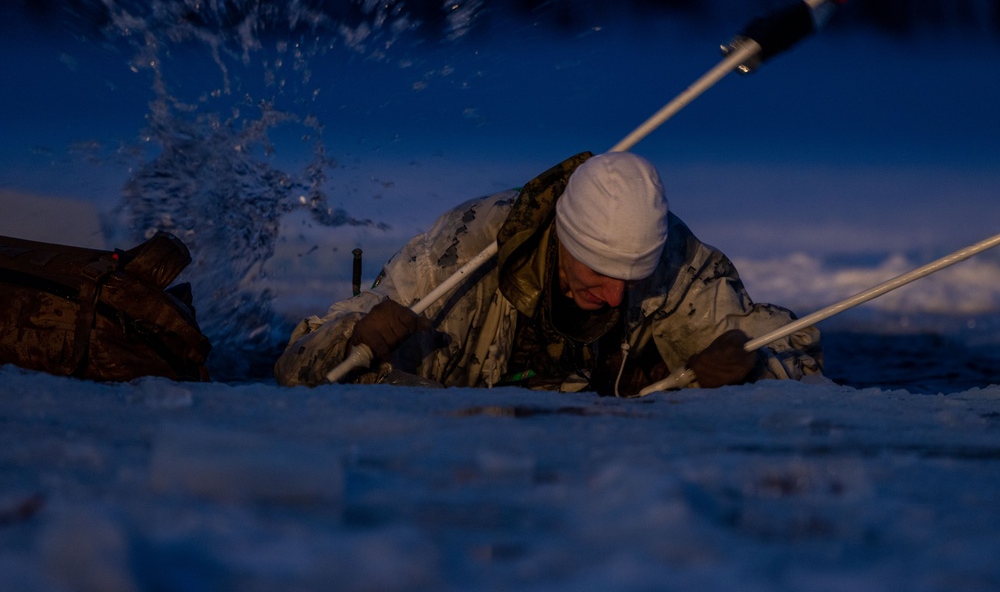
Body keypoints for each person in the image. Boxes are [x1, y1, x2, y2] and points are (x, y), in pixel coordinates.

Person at [274, 151, 822, 394]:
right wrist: (355, 337)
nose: (614, 298)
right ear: (563, 239)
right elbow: (297, 369)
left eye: (632, 279)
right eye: (601, 272)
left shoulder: (670, 256)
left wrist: (752, 368)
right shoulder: (458, 253)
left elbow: (795, 356)